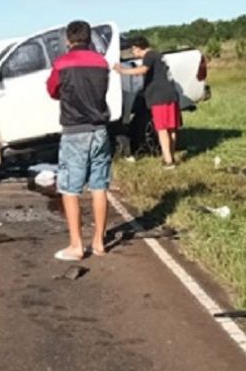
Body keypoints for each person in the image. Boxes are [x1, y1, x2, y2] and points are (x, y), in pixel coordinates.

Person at [46, 20, 111, 261]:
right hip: (100, 130)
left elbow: (53, 90)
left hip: (75, 131)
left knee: (70, 188)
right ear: (89, 38)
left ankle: (76, 245)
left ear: (68, 40)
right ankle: (99, 242)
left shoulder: (62, 64)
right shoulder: (101, 63)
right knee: (99, 185)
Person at [114, 36, 181, 169]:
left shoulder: (149, 56)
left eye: (133, 50)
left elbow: (143, 69)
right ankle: (171, 155)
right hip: (170, 94)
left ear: (137, 48)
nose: (132, 53)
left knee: (161, 129)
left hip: (159, 96)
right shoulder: (158, 55)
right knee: (171, 128)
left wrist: (123, 71)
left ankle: (168, 161)